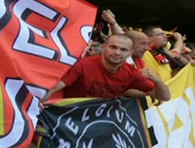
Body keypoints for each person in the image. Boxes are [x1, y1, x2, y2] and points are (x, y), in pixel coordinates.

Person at [40, 34, 170, 102]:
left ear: (129, 53)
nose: (117, 52)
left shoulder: (131, 73)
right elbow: (54, 88)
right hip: (70, 117)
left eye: (123, 49)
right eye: (113, 47)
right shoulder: (83, 65)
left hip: (100, 123)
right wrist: (38, 102)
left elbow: (164, 97)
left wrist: (157, 81)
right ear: (104, 47)